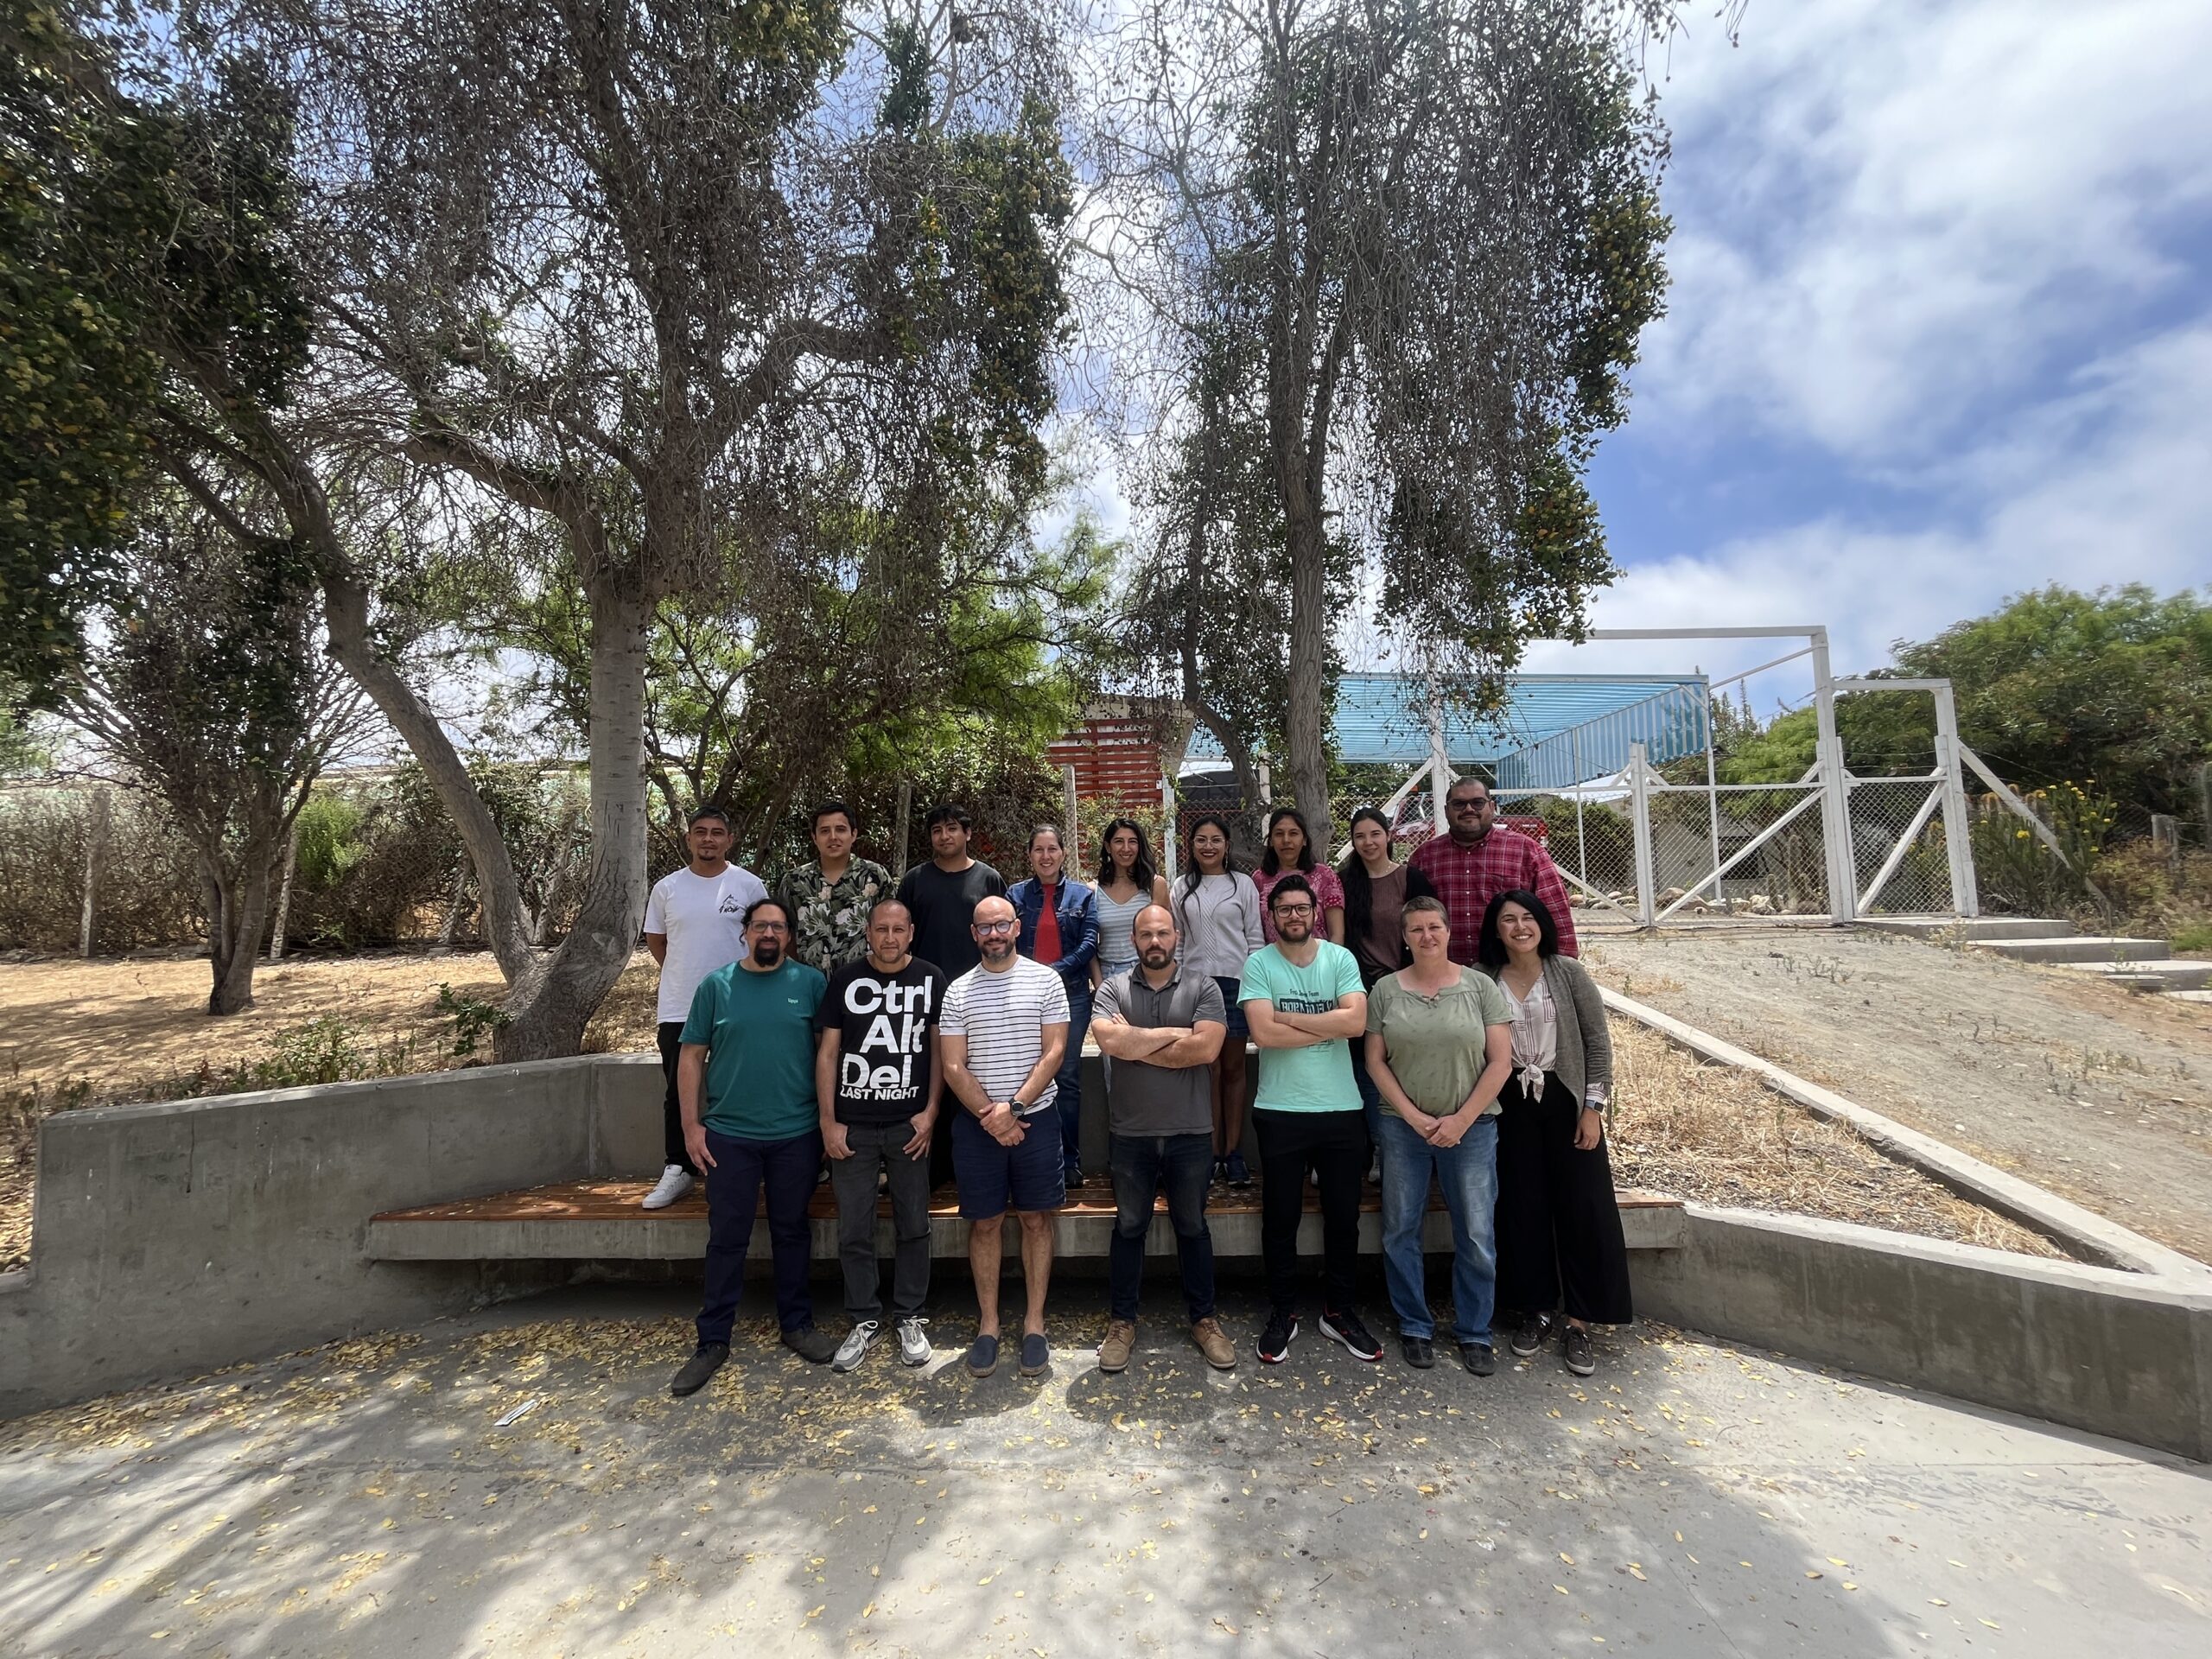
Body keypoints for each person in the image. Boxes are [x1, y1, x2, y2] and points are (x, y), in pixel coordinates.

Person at [667, 899, 836, 1397]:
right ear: (745, 933)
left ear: (789, 936)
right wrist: (691, 1129)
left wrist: (828, 1123)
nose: (769, 933)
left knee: (791, 1232)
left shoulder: (810, 984)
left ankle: (797, 1325)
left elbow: (829, 1056)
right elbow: (691, 1057)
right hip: (729, 1136)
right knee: (727, 1238)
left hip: (796, 1132)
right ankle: (712, 1341)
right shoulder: (715, 987)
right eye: (760, 925)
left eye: (778, 927)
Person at [1478, 888, 1630, 1379]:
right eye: (1508, 920)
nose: (1520, 927)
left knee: (1582, 1208)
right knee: (1522, 1208)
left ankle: (1580, 1320)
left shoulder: (1568, 973)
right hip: (1511, 1105)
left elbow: (1597, 1046)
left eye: (1527, 918)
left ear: (1543, 923)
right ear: (1495, 930)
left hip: (1566, 1103)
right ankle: (1536, 1307)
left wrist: (1593, 1110)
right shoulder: (1485, 979)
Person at [1364, 895, 1515, 1374]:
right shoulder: (1386, 991)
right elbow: (1374, 1061)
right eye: (1416, 930)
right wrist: (1411, 1116)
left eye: (1435, 927)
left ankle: (1474, 1330)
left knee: (1475, 1232)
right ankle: (1415, 1324)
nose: (1426, 936)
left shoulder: (1480, 987)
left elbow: (1501, 1062)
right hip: (1403, 1127)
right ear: (1404, 939)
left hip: (1471, 1128)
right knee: (1399, 1228)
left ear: (1449, 931)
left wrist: (1460, 1121)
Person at [1240, 874, 1380, 1366]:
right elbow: (1263, 1035)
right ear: (1272, 915)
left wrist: (1290, 1018)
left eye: (1302, 908)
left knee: (1344, 1218)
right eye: (1284, 909)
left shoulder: (1340, 960)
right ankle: (1283, 1312)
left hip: (1342, 1109)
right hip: (1280, 1110)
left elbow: (1357, 1024)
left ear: (1315, 912)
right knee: (1281, 1220)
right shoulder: (1259, 963)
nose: (1294, 916)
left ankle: (1338, 1311)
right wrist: (1326, 1026)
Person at [1089, 904, 1235, 1374]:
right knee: (1129, 1228)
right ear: (1134, 940)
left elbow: (1207, 1048)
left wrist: (1140, 1040)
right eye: (1146, 934)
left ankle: (1205, 1320)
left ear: (1177, 938)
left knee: (1192, 1227)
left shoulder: (1203, 987)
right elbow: (1110, 1043)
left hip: (1190, 1133)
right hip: (1129, 1134)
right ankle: (1122, 1321)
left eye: (1163, 934)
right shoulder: (1111, 987)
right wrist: (1174, 1036)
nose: (1155, 942)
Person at [941, 894, 1071, 1380]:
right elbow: (953, 1064)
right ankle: (989, 1324)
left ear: (1016, 927)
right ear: (974, 934)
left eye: (1001, 925)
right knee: (986, 1224)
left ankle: (1034, 1323)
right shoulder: (957, 992)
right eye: (984, 927)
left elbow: (1054, 1051)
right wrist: (992, 1117)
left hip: (1036, 1119)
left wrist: (1012, 1109)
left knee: (1037, 1220)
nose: (993, 933)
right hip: (978, 1128)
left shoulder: (1047, 980)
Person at [817, 896, 946, 1374]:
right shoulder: (846, 979)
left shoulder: (931, 978)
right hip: (852, 1126)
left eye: (899, 929)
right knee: (855, 1229)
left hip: (908, 1125)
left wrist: (931, 1112)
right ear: (868, 933)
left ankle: (910, 1314)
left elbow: (939, 1050)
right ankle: (864, 1318)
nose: (890, 938)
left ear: (911, 932)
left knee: (915, 1223)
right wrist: (828, 1122)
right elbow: (828, 1054)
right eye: (881, 930)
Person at [640, 805, 768, 1211]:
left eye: (716, 832)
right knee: (680, 1089)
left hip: (740, 1004)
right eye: (700, 832)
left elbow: (766, 938)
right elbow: (658, 942)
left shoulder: (748, 885)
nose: (708, 839)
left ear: (729, 840)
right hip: (680, 1005)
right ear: (689, 838)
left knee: (742, 1085)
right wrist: (689, 976)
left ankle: (749, 1162)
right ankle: (678, 1168)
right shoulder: (667, 888)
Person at [1338, 805, 1438, 1161]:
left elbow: (1429, 934)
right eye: (1360, 836)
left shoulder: (1411, 879)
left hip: (1406, 988)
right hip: (1361, 992)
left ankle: (1406, 1147)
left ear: (1388, 836)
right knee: (1367, 1068)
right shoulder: (1346, 882)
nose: (1368, 842)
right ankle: (1374, 1148)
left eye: (1374, 834)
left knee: (1402, 1066)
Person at [1169, 814, 1264, 1187]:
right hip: (1196, 987)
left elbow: (1254, 939)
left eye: (1216, 840)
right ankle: (1209, 1154)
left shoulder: (1242, 884)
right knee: (1206, 1069)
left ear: (1227, 845)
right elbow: (1177, 941)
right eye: (1201, 840)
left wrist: (1254, 984)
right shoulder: (1182, 886)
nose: (1208, 846)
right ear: (1191, 846)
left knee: (1234, 1070)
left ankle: (1234, 1153)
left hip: (1237, 985)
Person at [1007, 826, 1099, 1190]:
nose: (1046, 856)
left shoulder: (1082, 895)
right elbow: (1006, 937)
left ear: (1063, 853)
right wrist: (1034, 976)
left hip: (1072, 993)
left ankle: (1069, 1159)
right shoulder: (1014, 895)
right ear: (1029, 855)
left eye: (1053, 850)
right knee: (1025, 1074)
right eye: (1039, 850)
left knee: (1067, 1077)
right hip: (1021, 996)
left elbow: (1090, 941)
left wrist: (1051, 973)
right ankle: (1026, 1157)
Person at [1409, 778, 1579, 963]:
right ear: (1446, 810)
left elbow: (1556, 915)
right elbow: (1410, 920)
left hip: (1511, 975)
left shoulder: (1527, 851)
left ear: (1491, 806)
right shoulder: (1424, 857)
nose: (1468, 809)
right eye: (1458, 804)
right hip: (1445, 976)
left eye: (1478, 802)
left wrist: (1565, 969)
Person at [894, 803, 1007, 983]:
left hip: (980, 983)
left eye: (952, 829)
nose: (944, 836)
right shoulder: (914, 880)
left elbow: (1005, 933)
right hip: (924, 983)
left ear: (968, 833)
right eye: (937, 831)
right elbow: (900, 935)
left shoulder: (989, 879)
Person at [779, 799, 892, 975]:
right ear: (814, 838)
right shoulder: (794, 881)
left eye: (840, 829)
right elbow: (785, 933)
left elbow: (890, 928)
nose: (833, 837)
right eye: (825, 831)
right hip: (810, 983)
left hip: (865, 983)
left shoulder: (875, 876)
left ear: (853, 834)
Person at [1250, 806, 1346, 946]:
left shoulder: (1326, 876)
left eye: (1293, 833)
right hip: (1274, 963)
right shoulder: (1258, 879)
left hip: (1319, 962)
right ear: (1270, 841)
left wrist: (1333, 964)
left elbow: (1337, 933)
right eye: (1279, 834)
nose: (1286, 840)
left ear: (1305, 840)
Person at [1091, 817, 1172, 984]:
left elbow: (1166, 936)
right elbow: (1089, 947)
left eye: (1133, 842)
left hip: (1149, 973)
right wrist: (1100, 986)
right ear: (1108, 847)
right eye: (1119, 841)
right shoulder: (1093, 891)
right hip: (1109, 975)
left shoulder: (1155, 885)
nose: (1126, 848)